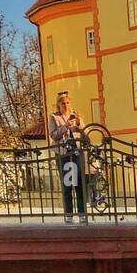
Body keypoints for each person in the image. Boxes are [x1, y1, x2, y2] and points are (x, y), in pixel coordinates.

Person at [48, 93, 87, 224]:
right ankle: (68, 214)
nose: (66, 106)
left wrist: (79, 123)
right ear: (58, 105)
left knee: (79, 182)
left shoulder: (75, 115)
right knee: (67, 184)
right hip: (63, 153)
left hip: (76, 151)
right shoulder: (54, 117)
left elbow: (84, 133)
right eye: (63, 103)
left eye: (67, 103)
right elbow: (53, 135)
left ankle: (82, 213)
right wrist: (65, 126)